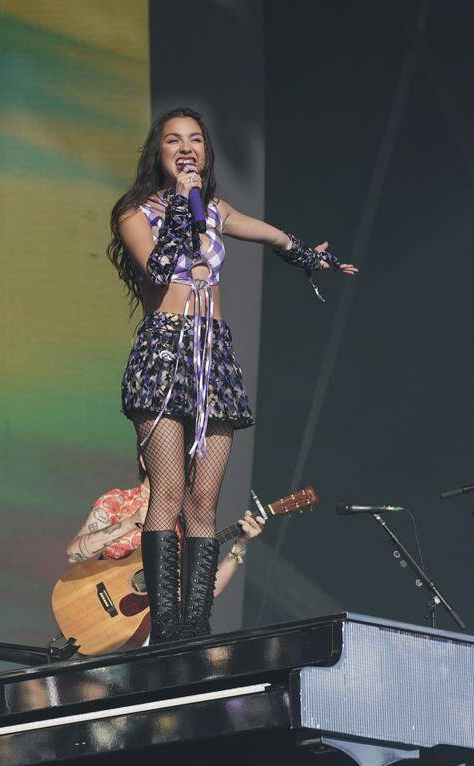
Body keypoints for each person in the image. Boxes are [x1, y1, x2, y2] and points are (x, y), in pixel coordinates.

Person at [108, 107, 356, 642]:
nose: (186, 147)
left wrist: (309, 257)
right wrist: (180, 204)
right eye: (174, 140)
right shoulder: (136, 210)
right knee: (168, 492)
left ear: (206, 153)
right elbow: (155, 266)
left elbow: (272, 237)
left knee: (205, 500)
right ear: (159, 152)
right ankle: (167, 625)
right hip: (164, 355)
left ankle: (196, 625)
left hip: (213, 356)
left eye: (195, 140)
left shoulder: (214, 210)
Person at [66, 472, 266, 604]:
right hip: (100, 611)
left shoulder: (187, 521)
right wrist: (131, 522)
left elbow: (207, 591)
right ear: (145, 460)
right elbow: (74, 554)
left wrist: (240, 544)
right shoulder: (118, 500)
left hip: (150, 629)